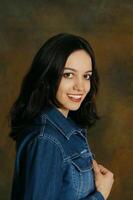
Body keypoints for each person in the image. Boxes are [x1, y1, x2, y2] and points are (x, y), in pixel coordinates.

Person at [9, 33, 114, 200]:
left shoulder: (67, 128)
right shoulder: (47, 140)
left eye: (86, 76)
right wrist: (100, 194)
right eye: (68, 75)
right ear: (48, 76)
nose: (80, 86)